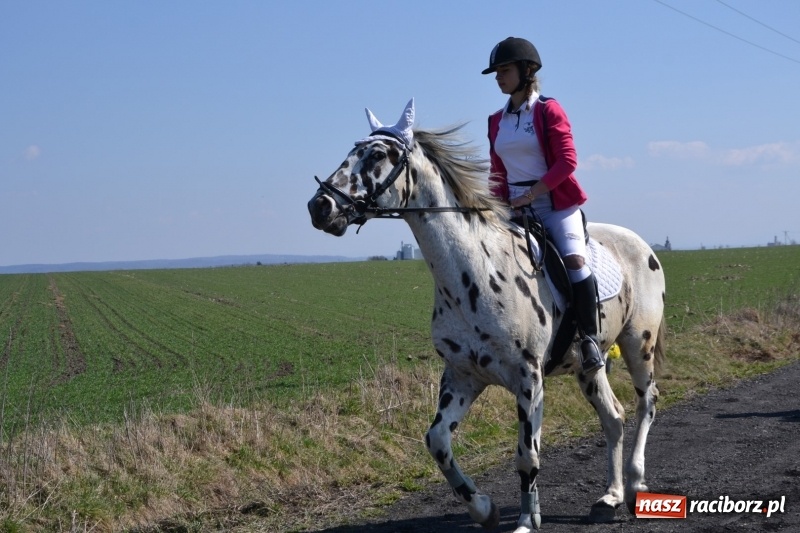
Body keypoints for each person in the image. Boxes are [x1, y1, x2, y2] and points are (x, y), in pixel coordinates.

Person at [483, 36, 604, 375]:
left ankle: (589, 339)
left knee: (575, 261)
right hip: (515, 207)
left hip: (555, 205)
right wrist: (493, 203)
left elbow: (567, 161)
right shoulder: (496, 120)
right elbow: (497, 171)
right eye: (496, 72)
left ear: (527, 70)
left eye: (504, 70)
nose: (498, 77)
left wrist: (531, 195)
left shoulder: (548, 109)